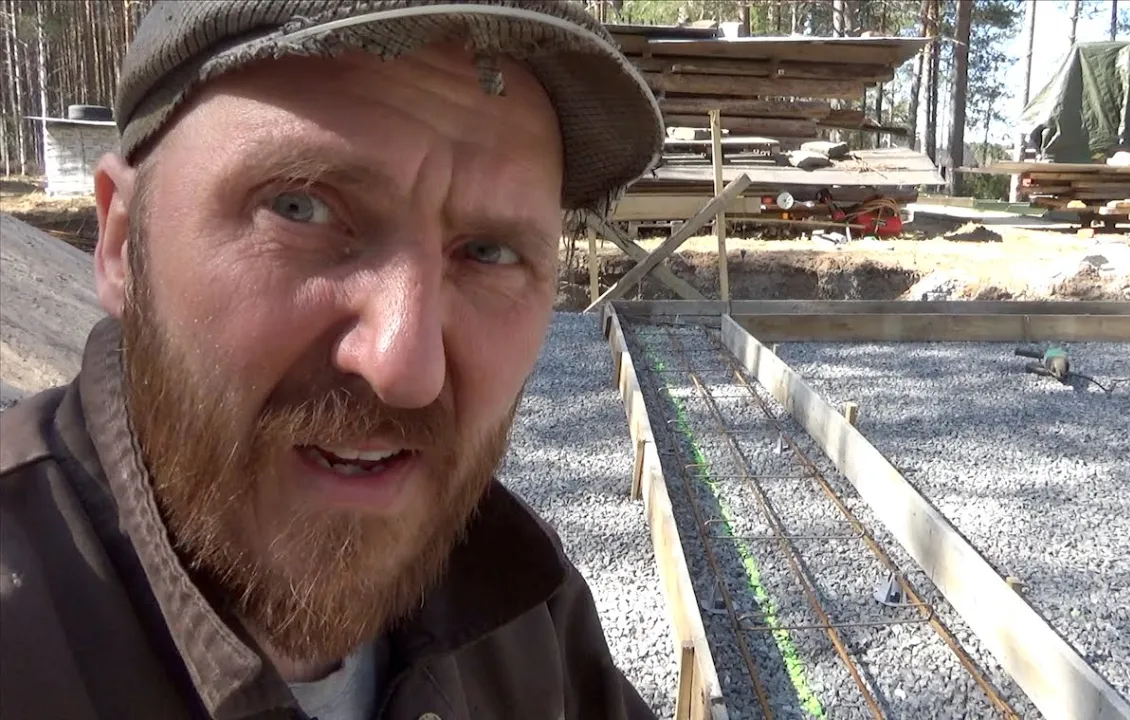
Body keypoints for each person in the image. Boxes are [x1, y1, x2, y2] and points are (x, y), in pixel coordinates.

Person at [0, 2, 664, 718]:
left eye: (488, 252)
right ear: (122, 244)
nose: (405, 369)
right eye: (299, 209)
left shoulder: (524, 614)